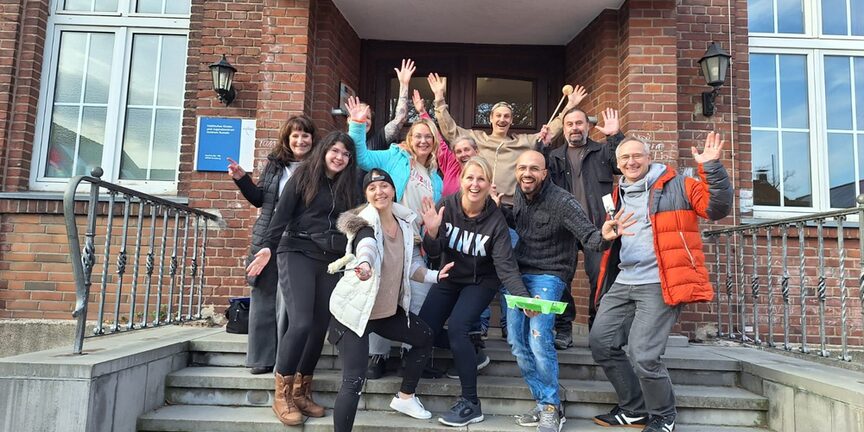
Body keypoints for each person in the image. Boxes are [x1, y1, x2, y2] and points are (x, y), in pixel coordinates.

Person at [589, 133, 732, 432]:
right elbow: (613, 238)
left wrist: (712, 168)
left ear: (648, 156)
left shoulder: (678, 185)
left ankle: (663, 415)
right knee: (601, 342)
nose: (631, 162)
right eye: (624, 158)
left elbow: (716, 209)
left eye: (636, 155)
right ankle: (633, 409)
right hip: (624, 278)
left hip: (658, 281)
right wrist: (605, 236)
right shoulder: (617, 195)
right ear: (618, 164)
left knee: (643, 355)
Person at [500, 150, 633, 432]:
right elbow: (521, 225)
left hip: (550, 276)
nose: (527, 173)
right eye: (522, 168)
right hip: (520, 276)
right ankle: (544, 401)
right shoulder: (520, 194)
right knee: (516, 342)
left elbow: (589, 235)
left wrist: (605, 237)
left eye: (534, 169)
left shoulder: (562, 201)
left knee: (538, 340)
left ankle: (550, 407)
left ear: (545, 173)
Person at [328, 169, 454, 432]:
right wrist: (364, 263)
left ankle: (405, 397)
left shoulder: (404, 222)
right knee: (353, 382)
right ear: (366, 195)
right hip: (354, 316)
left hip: (385, 313)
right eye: (372, 188)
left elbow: (407, 265)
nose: (379, 192)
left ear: (393, 190)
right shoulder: (364, 223)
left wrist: (434, 275)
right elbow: (367, 247)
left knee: (424, 336)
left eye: (384, 186)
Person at [246, 131, 358, 426]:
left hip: (330, 259)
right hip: (296, 251)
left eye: (346, 154)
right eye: (335, 151)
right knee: (301, 322)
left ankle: (301, 390)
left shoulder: (348, 186)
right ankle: (281, 393)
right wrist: (267, 248)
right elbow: (279, 215)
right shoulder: (304, 177)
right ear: (324, 151)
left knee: (320, 325)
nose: (339, 157)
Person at [418, 156, 533, 427]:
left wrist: (523, 297)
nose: (475, 183)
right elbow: (433, 255)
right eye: (470, 177)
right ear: (461, 180)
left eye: (481, 178)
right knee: (424, 329)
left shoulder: (496, 221)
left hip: (481, 280)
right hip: (449, 275)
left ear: (488, 183)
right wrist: (432, 234)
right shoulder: (447, 206)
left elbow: (506, 266)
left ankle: (471, 403)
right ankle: (473, 353)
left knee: (458, 326)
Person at [345, 95, 444, 379]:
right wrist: (357, 124)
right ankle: (378, 355)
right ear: (410, 138)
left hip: (416, 244)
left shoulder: (435, 178)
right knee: (384, 295)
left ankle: (412, 356)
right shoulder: (394, 156)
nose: (423, 141)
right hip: (389, 237)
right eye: (418, 135)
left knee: (417, 299)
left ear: (434, 142)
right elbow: (362, 157)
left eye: (428, 137)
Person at [228, 114, 317, 375]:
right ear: (287, 140)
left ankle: (285, 360)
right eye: (295, 136)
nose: (300, 141)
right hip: (269, 236)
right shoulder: (275, 165)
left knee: (290, 300)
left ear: (312, 139)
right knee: (264, 294)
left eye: (305, 135)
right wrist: (242, 179)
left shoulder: (317, 168)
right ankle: (260, 358)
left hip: (300, 239)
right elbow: (260, 199)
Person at [536, 107, 625, 349]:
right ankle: (563, 328)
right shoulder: (553, 156)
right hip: (563, 228)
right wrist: (540, 147)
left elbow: (622, 165)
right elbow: (537, 176)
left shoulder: (603, 151)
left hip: (597, 227)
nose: (574, 128)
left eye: (579, 123)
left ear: (587, 126)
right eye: (570, 124)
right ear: (563, 129)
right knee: (561, 279)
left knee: (600, 278)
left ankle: (598, 331)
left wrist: (615, 135)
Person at [427, 72, 586, 205]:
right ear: (490, 118)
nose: (502, 119)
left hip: (512, 208)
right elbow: (450, 131)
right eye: (498, 116)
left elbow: (550, 131)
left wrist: (569, 106)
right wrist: (439, 98)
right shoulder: (476, 138)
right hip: (483, 204)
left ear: (511, 121)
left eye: (506, 116)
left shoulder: (523, 141)